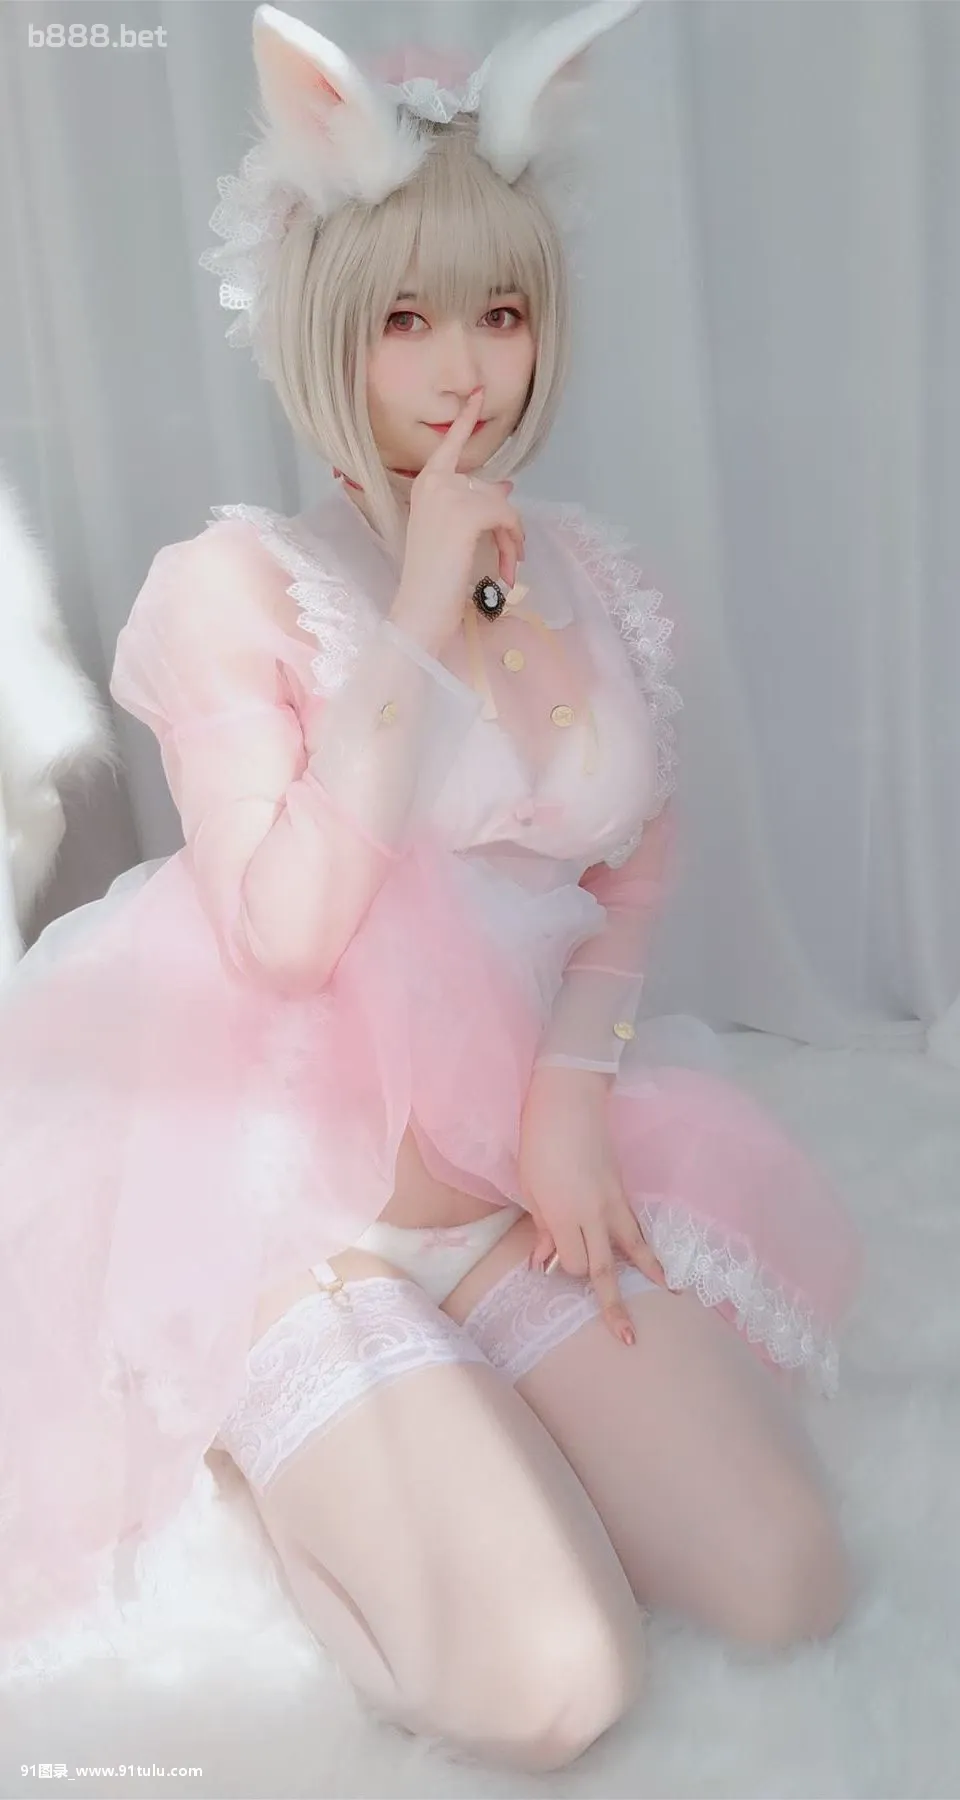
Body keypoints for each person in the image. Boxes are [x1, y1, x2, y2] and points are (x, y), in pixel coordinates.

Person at [0, 1, 860, 1773]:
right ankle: (309, 1422)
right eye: (407, 318)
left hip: (503, 1183)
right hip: (290, 1198)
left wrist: (570, 1091)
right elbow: (284, 935)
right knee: (556, 1686)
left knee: (785, 1578)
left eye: (500, 311)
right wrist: (409, 622)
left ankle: (483, 1404)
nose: (465, 366)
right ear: (328, 327)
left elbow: (633, 853)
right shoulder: (239, 588)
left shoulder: (593, 578)